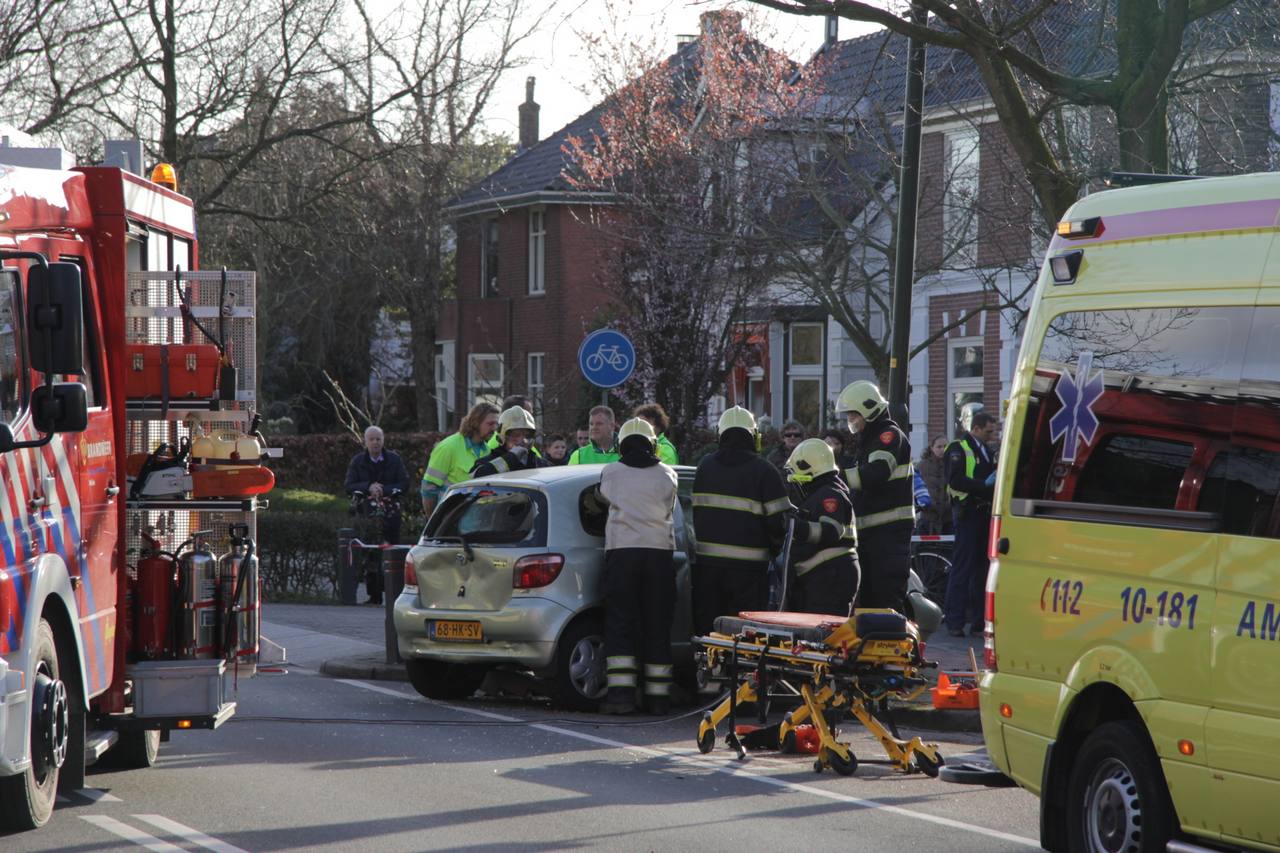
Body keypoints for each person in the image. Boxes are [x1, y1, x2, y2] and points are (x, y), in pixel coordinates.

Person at [597, 418, 679, 715]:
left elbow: (599, 502)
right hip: (659, 555)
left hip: (622, 554)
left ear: (621, 444)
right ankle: (658, 698)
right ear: (653, 444)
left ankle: (621, 698)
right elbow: (669, 506)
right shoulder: (667, 474)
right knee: (658, 624)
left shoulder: (611, 472)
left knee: (620, 624)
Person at [691, 406, 791, 634]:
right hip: (749, 572)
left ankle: (707, 669)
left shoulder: (705, 466)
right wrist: (772, 550)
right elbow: (780, 524)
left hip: (708, 569)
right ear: (754, 436)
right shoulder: (765, 471)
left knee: (710, 631)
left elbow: (695, 514)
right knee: (744, 634)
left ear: (720, 434)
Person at [836, 380, 915, 614]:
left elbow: (876, 473)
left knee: (885, 606)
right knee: (870, 604)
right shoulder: (869, 439)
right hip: (873, 538)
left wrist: (836, 477)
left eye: (853, 413)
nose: (850, 419)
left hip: (888, 539)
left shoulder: (888, 436)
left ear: (869, 410)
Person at [784, 439, 860, 616]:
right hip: (824, 577)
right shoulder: (823, 492)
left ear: (810, 472)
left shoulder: (829, 495)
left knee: (824, 636)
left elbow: (831, 531)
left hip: (829, 578)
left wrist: (795, 526)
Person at [943, 410, 999, 637]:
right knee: (963, 568)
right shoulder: (957, 448)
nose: (992, 435)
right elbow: (955, 480)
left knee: (982, 569)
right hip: (967, 514)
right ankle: (954, 621)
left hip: (984, 514)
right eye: (988, 430)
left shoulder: (987, 450)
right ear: (975, 428)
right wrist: (983, 485)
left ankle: (978, 621)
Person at [344, 425, 411, 605]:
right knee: (371, 555)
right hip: (367, 514)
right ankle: (374, 596)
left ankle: (395, 596)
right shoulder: (358, 461)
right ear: (365, 442)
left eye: (378, 439)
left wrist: (384, 490)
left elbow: (404, 482)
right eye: (371, 439)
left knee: (393, 553)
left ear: (383, 440)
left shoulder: (394, 460)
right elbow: (349, 485)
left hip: (391, 514)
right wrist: (368, 487)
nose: (375, 442)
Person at [420, 402, 499, 517]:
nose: (495, 428)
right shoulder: (448, 447)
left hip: (478, 521)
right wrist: (434, 522)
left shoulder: (487, 450)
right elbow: (429, 488)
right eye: (490, 424)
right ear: (475, 422)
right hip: (450, 521)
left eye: (496, 424)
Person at [472, 406, 548, 476]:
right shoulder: (487, 462)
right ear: (502, 437)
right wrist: (512, 457)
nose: (524, 440)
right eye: (516, 435)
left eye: (527, 435)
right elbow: (477, 475)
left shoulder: (543, 465)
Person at [915, 434, 952, 535]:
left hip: (948, 518)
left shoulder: (953, 465)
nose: (942, 450)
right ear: (932, 448)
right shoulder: (922, 466)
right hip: (928, 517)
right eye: (939, 447)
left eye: (945, 446)